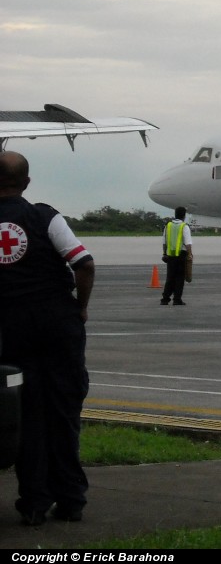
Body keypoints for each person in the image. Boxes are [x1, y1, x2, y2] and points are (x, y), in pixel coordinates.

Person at [0, 150, 93, 526]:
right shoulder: (44, 215)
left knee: (25, 417)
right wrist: (79, 308)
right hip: (58, 327)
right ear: (26, 182)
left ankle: (34, 502)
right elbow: (83, 264)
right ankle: (71, 500)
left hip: (12, 331)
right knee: (64, 414)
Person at [160, 206, 192, 306]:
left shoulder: (168, 225)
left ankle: (165, 299)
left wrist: (164, 253)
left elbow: (164, 242)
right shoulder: (184, 226)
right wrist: (190, 254)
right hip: (181, 255)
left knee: (170, 278)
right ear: (184, 215)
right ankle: (177, 299)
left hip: (170, 255)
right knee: (179, 278)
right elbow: (188, 243)